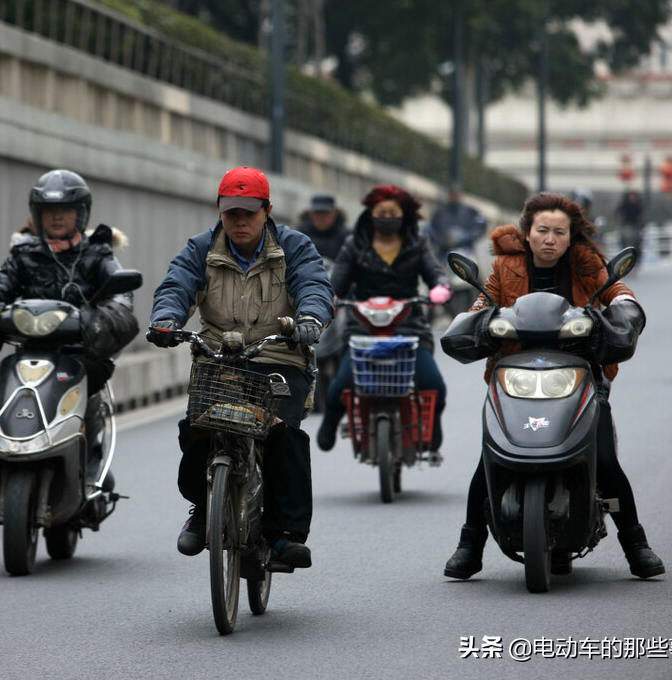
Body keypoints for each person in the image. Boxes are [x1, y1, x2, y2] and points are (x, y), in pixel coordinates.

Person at [442, 192, 665, 580]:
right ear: (527, 234)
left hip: (581, 372)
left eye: (559, 232)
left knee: (607, 461)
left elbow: (619, 295)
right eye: (542, 230)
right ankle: (469, 545)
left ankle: (636, 544)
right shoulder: (504, 267)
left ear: (570, 236)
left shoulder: (588, 264)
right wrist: (473, 321)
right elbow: (483, 303)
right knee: (488, 460)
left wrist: (624, 313)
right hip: (513, 372)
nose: (550, 239)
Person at [147, 166, 333, 568]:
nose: (240, 221)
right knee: (197, 428)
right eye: (232, 213)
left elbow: (315, 287)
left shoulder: (295, 247)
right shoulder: (201, 248)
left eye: (249, 212)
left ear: (267, 210)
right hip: (219, 360)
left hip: (279, 358)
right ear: (220, 211)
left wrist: (310, 320)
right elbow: (176, 286)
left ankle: (285, 535)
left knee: (283, 436)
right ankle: (203, 506)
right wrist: (165, 319)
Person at [0, 169, 139, 483]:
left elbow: (120, 293)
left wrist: (112, 312)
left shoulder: (98, 252)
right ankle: (0, 445)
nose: (57, 217)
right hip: (30, 348)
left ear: (81, 213)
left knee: (90, 377)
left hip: (81, 350)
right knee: (5, 371)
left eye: (65, 210)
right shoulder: (23, 253)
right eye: (50, 211)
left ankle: (90, 453)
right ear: (38, 214)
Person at [316, 184, 453, 455]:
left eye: (393, 212)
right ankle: (330, 422)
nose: (387, 217)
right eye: (382, 212)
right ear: (370, 214)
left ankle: (432, 423)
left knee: (433, 384)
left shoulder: (417, 244)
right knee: (340, 386)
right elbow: (338, 281)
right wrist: (329, 298)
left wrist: (440, 287)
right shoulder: (354, 245)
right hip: (362, 329)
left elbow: (434, 273)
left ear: (403, 216)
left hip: (410, 328)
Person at [426, 183, 488, 260]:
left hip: (465, 252)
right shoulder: (441, 212)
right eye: (453, 194)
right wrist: (441, 241)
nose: (455, 196)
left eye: (457, 194)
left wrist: (467, 236)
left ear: (461, 195)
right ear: (449, 194)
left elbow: (481, 224)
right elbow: (432, 229)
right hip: (443, 252)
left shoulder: (470, 212)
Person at [295, 193, 349, 261]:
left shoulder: (346, 237)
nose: (322, 217)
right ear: (310, 214)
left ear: (335, 213)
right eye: (318, 213)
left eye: (326, 213)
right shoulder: (299, 236)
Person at [615, 190, 645, 264]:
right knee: (623, 239)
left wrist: (641, 222)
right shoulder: (625, 204)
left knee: (637, 240)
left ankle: (637, 258)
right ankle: (623, 256)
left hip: (635, 225)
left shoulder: (638, 205)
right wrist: (617, 219)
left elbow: (642, 215)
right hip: (626, 225)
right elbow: (617, 211)